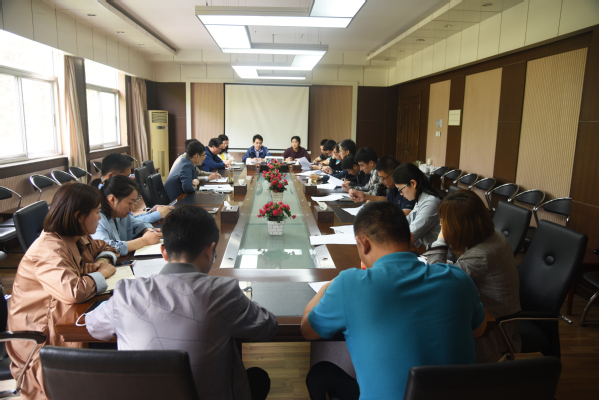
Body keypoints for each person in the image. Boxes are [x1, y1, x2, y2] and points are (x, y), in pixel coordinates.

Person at [86, 205, 278, 400]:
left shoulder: (125, 293)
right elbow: (267, 327)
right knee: (258, 378)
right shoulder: (223, 292)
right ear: (210, 251)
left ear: (164, 252)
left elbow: (93, 326)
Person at [301, 201, 487, 399]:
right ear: (411, 239)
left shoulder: (348, 284)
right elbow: (478, 329)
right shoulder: (458, 279)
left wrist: (326, 287)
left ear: (363, 243)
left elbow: (308, 330)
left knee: (320, 373)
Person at [7, 183, 118, 400]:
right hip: (42, 337)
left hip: (63, 317)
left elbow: (105, 247)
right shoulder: (48, 248)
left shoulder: (78, 236)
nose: (99, 217)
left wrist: (103, 262)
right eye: (96, 212)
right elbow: (72, 292)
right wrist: (100, 274)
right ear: (79, 216)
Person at [425, 190, 521, 363]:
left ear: (461, 225)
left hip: (494, 327)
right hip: (487, 310)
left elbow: (438, 283)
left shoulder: (482, 254)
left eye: (443, 221)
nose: (442, 225)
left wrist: (440, 241)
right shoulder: (492, 235)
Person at [91, 153, 173, 223]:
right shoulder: (103, 199)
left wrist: (151, 212)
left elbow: (130, 219)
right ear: (111, 176)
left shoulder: (115, 191)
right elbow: (130, 223)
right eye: (126, 176)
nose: (129, 179)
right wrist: (157, 214)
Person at [92, 175, 162, 256]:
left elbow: (139, 223)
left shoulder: (121, 214)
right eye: (130, 203)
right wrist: (144, 241)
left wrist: (148, 230)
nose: (132, 207)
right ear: (112, 199)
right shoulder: (98, 219)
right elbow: (107, 248)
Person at [392, 162, 444, 250]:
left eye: (401, 189)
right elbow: (405, 222)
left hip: (434, 253)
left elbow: (409, 236)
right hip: (424, 249)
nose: (401, 194)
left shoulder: (431, 203)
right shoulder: (420, 198)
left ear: (413, 183)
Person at [348, 156, 416, 216]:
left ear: (394, 174)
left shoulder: (407, 188)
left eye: (383, 178)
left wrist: (378, 211)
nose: (381, 181)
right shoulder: (393, 187)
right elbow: (387, 200)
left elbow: (405, 214)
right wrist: (365, 197)